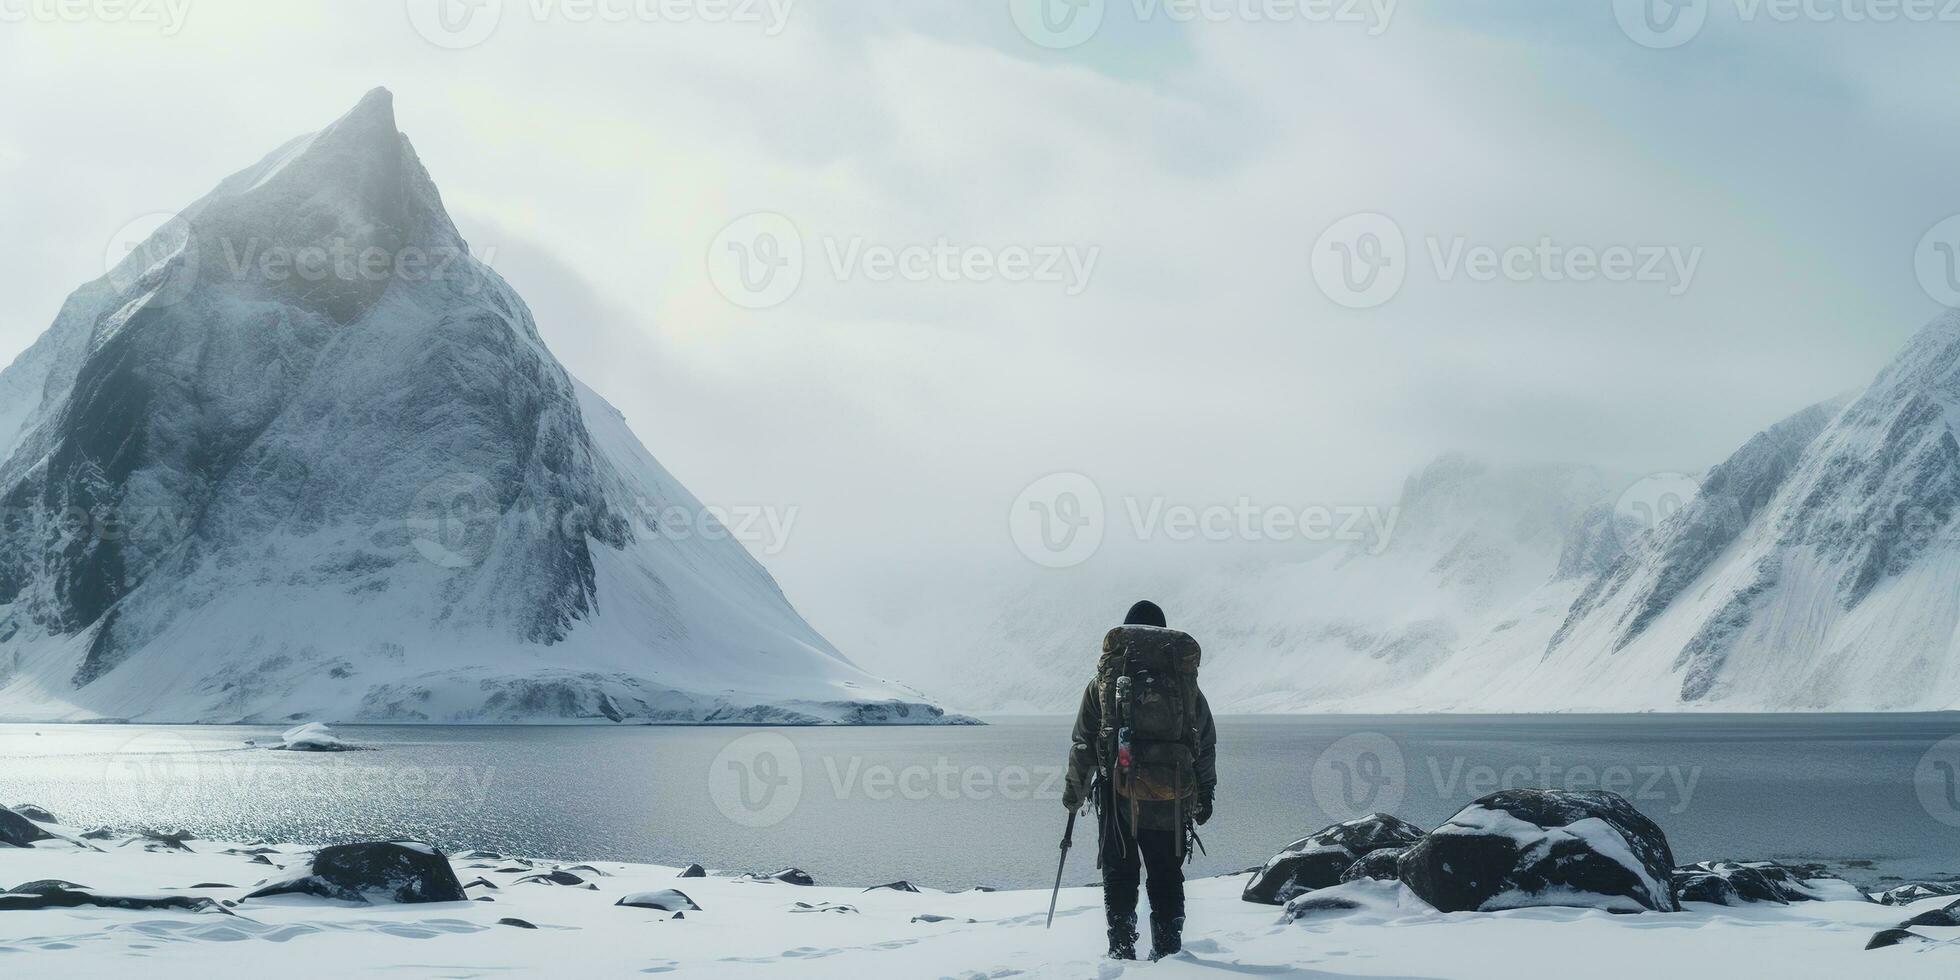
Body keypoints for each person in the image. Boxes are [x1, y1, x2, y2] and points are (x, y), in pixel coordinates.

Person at [1061, 600, 1217, 961]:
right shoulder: (1184, 685)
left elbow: (1084, 742)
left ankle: (1121, 947)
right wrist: (1205, 792)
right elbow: (1204, 742)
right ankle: (1168, 952)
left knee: (1120, 871)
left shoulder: (1105, 683)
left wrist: (1074, 795)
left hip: (1118, 794)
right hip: (1172, 794)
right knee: (1165, 873)